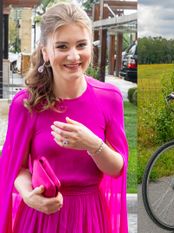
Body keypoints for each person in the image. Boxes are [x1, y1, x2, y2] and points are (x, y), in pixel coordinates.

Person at [0, 3, 128, 233]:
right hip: (40, 218)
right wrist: (30, 196)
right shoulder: (26, 104)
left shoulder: (110, 98)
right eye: (62, 46)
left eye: (81, 45)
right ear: (46, 52)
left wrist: (92, 144)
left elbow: (117, 168)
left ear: (91, 47)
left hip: (89, 218)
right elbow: (14, 166)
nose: (73, 55)